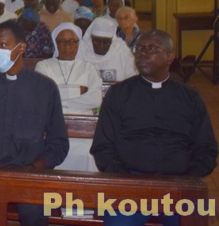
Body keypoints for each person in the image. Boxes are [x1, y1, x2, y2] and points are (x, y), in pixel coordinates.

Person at [90, 30, 217, 226]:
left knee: (195, 220)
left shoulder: (189, 97)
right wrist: (128, 181)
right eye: (139, 48)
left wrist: (186, 179)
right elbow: (103, 146)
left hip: (178, 184)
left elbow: (206, 148)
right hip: (131, 184)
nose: (142, 53)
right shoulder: (119, 94)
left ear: (170, 57)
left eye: (151, 49)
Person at [0, 20, 68, 226]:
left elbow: (58, 142)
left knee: (33, 212)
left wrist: (33, 168)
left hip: (29, 173)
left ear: (22, 47)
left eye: (3, 45)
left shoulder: (45, 88)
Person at [35, 23, 102, 115]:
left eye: (72, 41)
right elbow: (42, 96)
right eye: (62, 41)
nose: (67, 46)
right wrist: (77, 91)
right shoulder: (44, 66)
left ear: (77, 44)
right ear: (56, 43)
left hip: (83, 123)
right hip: (52, 119)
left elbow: (95, 100)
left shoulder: (89, 68)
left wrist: (61, 103)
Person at [77, 17, 136, 82]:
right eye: (97, 41)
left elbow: (132, 79)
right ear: (91, 39)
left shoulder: (121, 50)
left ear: (112, 40)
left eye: (106, 42)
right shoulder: (81, 50)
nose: (101, 46)